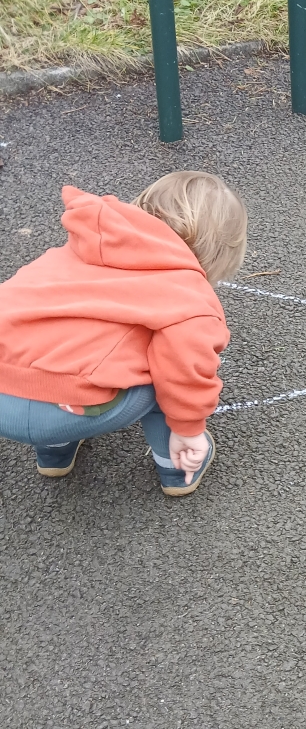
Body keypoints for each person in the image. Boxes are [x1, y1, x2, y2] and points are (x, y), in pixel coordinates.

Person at [0, 170, 246, 496]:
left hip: (5, 391)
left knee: (53, 351)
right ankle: (176, 467)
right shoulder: (188, 294)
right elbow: (186, 368)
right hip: (67, 407)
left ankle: (54, 452)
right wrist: (188, 429)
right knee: (170, 374)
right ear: (217, 252)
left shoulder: (72, 251)